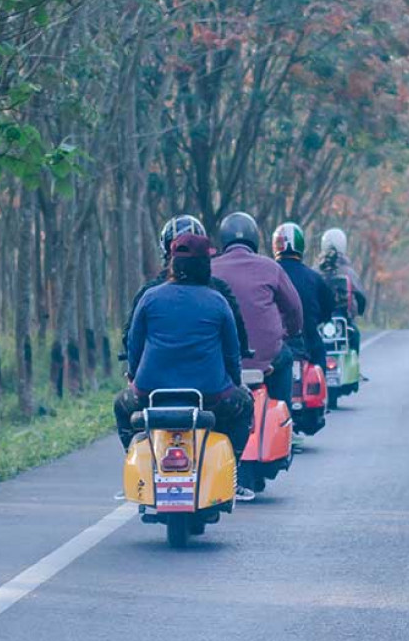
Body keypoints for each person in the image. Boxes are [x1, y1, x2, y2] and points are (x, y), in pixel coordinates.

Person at [117, 233, 256, 501]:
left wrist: (134, 377)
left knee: (120, 406)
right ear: (206, 265)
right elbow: (232, 353)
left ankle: (139, 469)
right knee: (245, 406)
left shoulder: (149, 297)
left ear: (173, 263)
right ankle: (233, 474)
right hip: (211, 397)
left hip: (149, 394)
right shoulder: (218, 301)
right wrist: (236, 382)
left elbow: (134, 347)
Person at [120, 214, 249, 358]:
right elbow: (238, 336)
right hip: (210, 375)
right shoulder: (219, 290)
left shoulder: (149, 293)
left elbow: (130, 338)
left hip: (159, 375)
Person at [209, 213, 303, 405]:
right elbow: (294, 309)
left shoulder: (209, 268)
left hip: (220, 361)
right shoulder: (270, 267)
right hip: (266, 360)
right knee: (285, 357)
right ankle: (284, 417)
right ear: (255, 238)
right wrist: (290, 332)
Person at [272, 222, 335, 370]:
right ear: (301, 245)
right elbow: (328, 309)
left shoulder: (267, 274)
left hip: (275, 346)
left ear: (276, 245)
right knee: (320, 362)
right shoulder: (314, 277)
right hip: (309, 343)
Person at [317, 227, 367, 351]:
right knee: (354, 336)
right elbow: (361, 297)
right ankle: (353, 368)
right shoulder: (349, 272)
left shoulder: (315, 270)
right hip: (343, 324)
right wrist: (359, 311)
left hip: (318, 323)